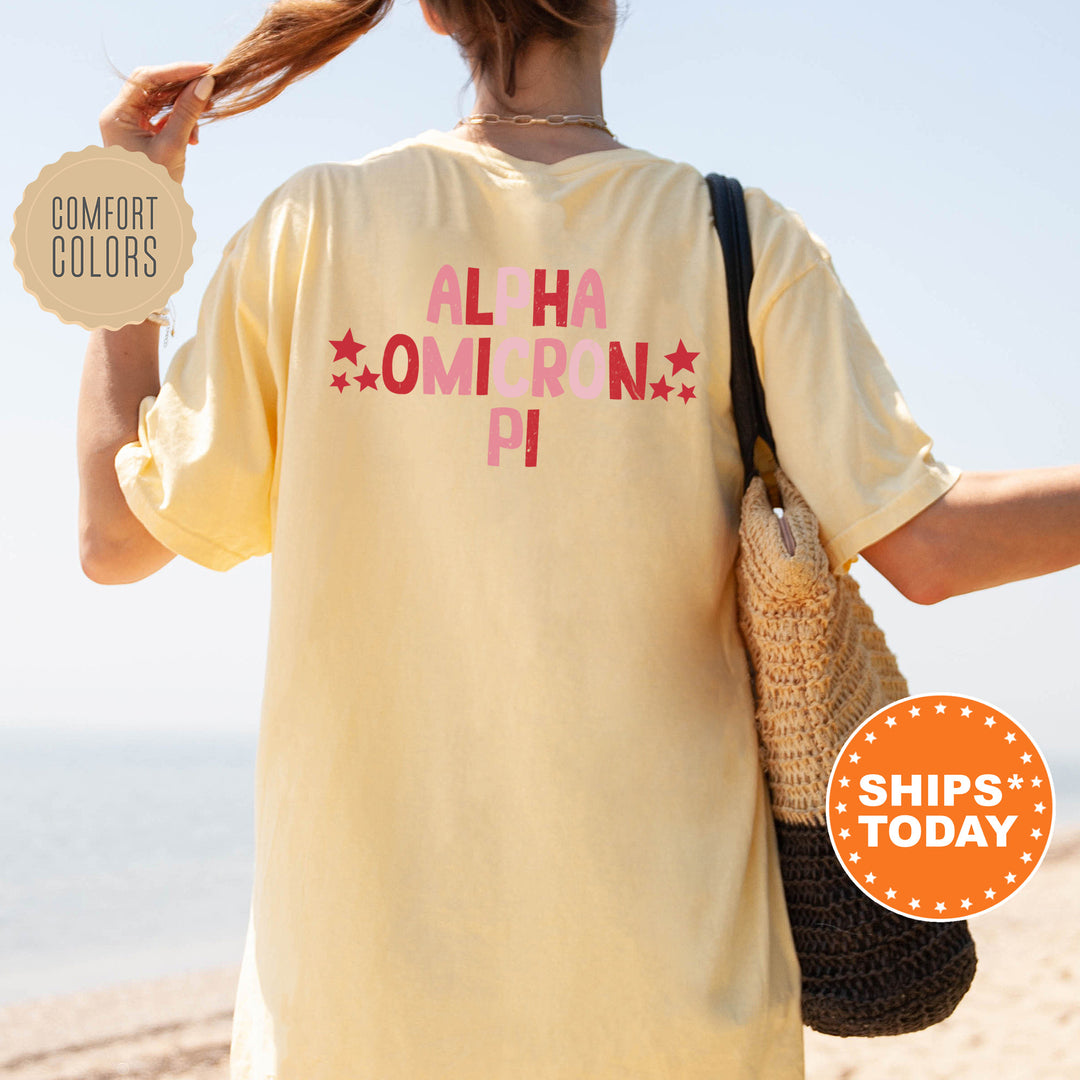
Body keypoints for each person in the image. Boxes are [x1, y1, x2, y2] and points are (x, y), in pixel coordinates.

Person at [77, 2, 1080, 1078]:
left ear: (430, 13)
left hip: (357, 1011)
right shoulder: (736, 240)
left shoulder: (315, 225)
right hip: (674, 1000)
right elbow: (929, 549)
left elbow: (115, 539)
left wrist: (129, 212)